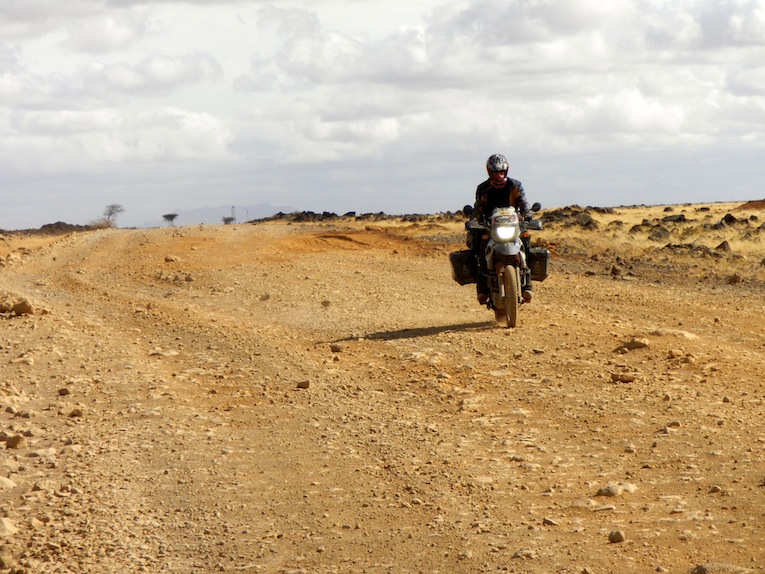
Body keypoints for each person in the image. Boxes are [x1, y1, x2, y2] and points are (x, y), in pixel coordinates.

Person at [470, 153, 533, 305]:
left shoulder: (515, 185)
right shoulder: (483, 188)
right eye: (496, 172)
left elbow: (523, 203)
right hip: (491, 227)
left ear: (507, 171)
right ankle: (482, 289)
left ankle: (528, 285)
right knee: (479, 247)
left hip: (513, 225)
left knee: (526, 241)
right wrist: (473, 221)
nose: (499, 175)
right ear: (489, 172)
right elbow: (479, 207)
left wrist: (529, 216)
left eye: (502, 172)